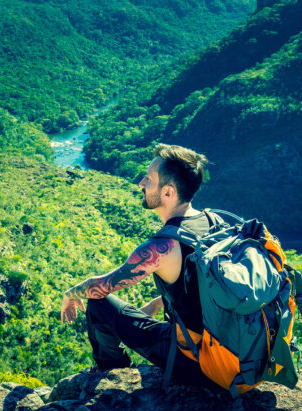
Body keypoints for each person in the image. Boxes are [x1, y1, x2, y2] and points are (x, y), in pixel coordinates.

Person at [60, 143, 217, 386]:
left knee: (98, 305)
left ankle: (112, 374)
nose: (141, 184)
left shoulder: (161, 246)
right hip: (229, 354)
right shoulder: (213, 221)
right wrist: (156, 305)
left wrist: (70, 294)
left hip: (195, 362)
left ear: (168, 192)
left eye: (149, 180)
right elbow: (197, 289)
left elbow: (100, 287)